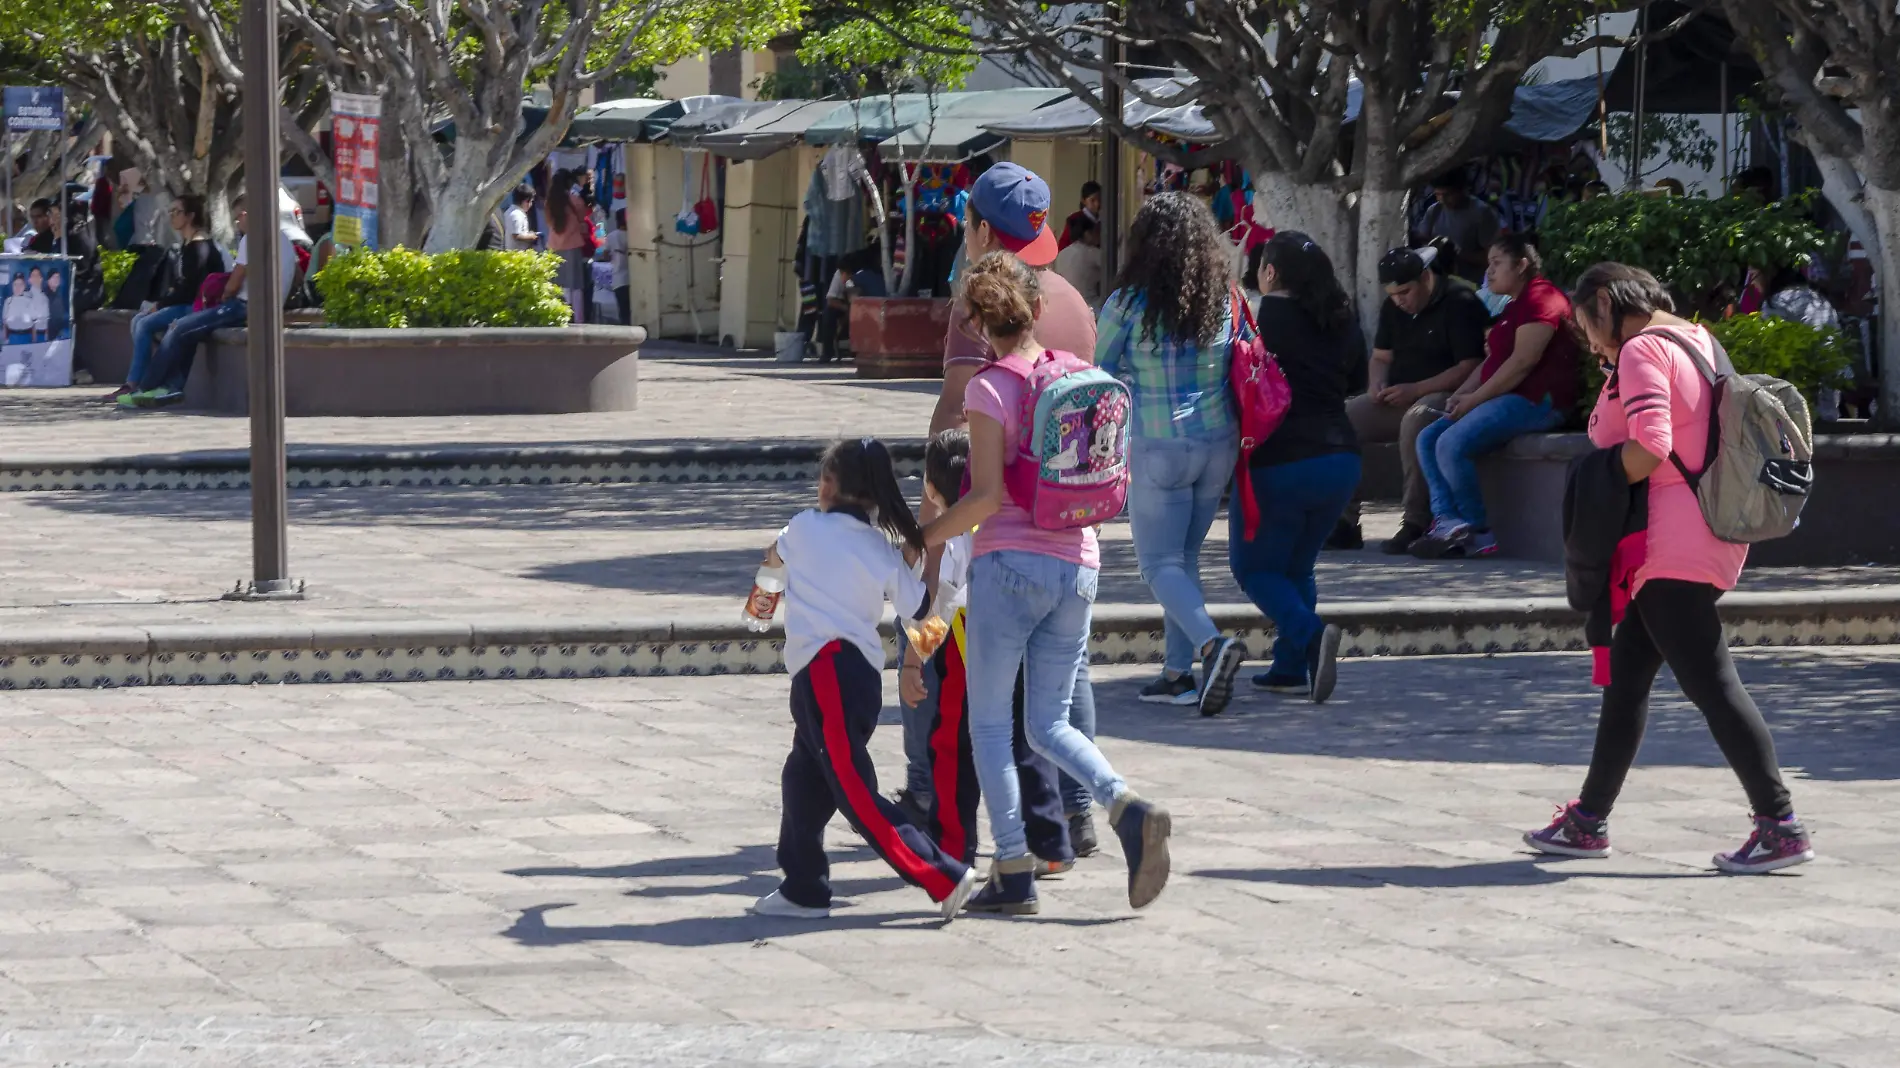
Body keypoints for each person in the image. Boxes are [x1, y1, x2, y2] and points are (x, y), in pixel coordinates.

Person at [1524, 262, 1814, 874]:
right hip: (1708, 531)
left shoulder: (1640, 350)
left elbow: (1650, 445)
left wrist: (1594, 480)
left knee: (1713, 683)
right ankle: (1587, 821)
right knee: (1626, 678)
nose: (1591, 342)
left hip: (1667, 543)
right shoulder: (1700, 340)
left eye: (1587, 325)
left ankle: (1781, 825)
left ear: (1605, 301)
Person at [923, 251, 1173, 917]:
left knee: (990, 728)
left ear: (978, 321)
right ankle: (1124, 801)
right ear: (1037, 310)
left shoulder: (987, 388)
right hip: (1080, 564)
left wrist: (926, 535)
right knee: (1049, 723)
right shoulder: (1085, 374)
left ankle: (1012, 869)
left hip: (1009, 567)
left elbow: (982, 499)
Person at [923, 161, 1103, 856]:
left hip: (1001, 527)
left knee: (990, 713)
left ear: (978, 230)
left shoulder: (982, 305)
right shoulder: (1071, 298)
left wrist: (929, 526)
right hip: (1073, 522)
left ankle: (1005, 847)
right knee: (1065, 679)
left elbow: (953, 428)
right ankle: (1078, 810)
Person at [750, 438, 979, 921]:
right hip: (853, 679)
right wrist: (920, 650)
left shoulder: (804, 527)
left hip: (826, 674)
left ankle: (942, 874)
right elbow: (922, 611)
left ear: (828, 485)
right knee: (802, 778)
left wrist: (759, 609)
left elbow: (773, 560)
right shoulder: (880, 547)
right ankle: (803, 885)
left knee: (855, 792)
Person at [1096, 191, 1248, 716]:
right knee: (1183, 560)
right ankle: (1177, 675)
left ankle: (1211, 644)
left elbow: (1097, 372)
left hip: (1158, 445)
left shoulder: (1127, 303)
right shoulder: (1225, 299)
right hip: (1218, 444)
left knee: (1157, 564)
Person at [903, 428, 1076, 875]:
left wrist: (912, 659)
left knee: (951, 746)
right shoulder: (1004, 517)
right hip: (1025, 638)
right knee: (1029, 740)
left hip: (971, 651)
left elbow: (940, 606)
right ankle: (1051, 843)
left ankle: (953, 847)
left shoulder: (954, 536)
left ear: (931, 490)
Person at [1230, 232, 1361, 702]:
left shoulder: (1265, 315)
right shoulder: (1341, 315)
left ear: (1271, 272)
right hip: (1341, 458)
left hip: (1282, 460)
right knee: (1296, 567)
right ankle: (1288, 667)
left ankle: (1311, 633)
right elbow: (1359, 378)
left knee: (1253, 569)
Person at [1409, 234, 1579, 559]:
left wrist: (1473, 402)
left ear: (1523, 265)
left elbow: (1521, 364)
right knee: (1428, 437)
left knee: (1450, 443)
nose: (1489, 272)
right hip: (1508, 397)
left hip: (1537, 401)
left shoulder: (1542, 298)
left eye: (1497, 263)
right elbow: (1494, 361)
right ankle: (1448, 520)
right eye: (1488, 263)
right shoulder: (1515, 305)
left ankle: (1478, 531)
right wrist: (1460, 395)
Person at [1342, 246, 1489, 554]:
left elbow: (1469, 367)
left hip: (1449, 396)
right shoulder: (1393, 307)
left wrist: (1416, 389)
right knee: (1345, 416)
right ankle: (1343, 521)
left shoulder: (1460, 302)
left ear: (1425, 277)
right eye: (1393, 294)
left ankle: (1416, 520)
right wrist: (1375, 383)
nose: (1400, 301)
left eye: (1405, 292)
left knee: (1416, 420)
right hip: (1399, 394)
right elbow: (1381, 356)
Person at [121, 199, 299, 408]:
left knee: (178, 327)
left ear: (246, 214)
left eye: (237, 217)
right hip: (269, 308)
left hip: (243, 306)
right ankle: (172, 387)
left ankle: (146, 388)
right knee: (189, 328)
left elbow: (234, 283)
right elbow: (298, 277)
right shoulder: (285, 240)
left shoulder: (252, 238)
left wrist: (224, 296)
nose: (236, 223)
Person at [117, 196, 223, 399]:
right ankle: (137, 380)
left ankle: (136, 383)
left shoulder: (199, 246)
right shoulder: (187, 243)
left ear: (190, 216)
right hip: (185, 303)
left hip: (196, 307)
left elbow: (190, 289)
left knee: (144, 324)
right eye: (170, 211)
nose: (172, 216)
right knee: (138, 320)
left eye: (177, 212)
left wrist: (160, 305)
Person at [26, 191, 104, 317]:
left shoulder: (78, 232)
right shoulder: (61, 234)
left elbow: (78, 267)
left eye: (55, 215)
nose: (52, 220)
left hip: (85, 292)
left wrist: (59, 239)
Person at [1415, 171, 1500, 285]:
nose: (1443, 200)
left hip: (1471, 284)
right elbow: (1423, 239)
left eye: (1448, 194)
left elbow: (1493, 258)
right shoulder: (1434, 211)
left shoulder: (1481, 214)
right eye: (1438, 195)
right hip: (1439, 283)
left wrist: (1456, 252)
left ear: (1462, 190)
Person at [545, 169, 590, 322]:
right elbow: (583, 216)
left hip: (554, 246)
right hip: (573, 245)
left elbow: (548, 221)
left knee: (557, 284)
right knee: (575, 285)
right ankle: (577, 319)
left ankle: (559, 317)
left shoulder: (549, 202)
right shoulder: (575, 200)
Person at [1052, 215, 1104, 309]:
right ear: (1087, 234)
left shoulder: (1062, 254)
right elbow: (1115, 266)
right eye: (1096, 232)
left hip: (1067, 306)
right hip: (1091, 306)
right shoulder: (1092, 253)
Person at [1057, 180, 1103, 250]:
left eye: (1099, 200)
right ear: (1083, 201)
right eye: (1092, 200)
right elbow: (1063, 246)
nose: (1097, 204)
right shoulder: (1074, 219)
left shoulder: (1104, 220)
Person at [608, 209, 631, 326]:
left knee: (623, 310)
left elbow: (605, 254)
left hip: (618, 278)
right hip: (632, 278)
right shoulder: (633, 235)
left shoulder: (611, 236)